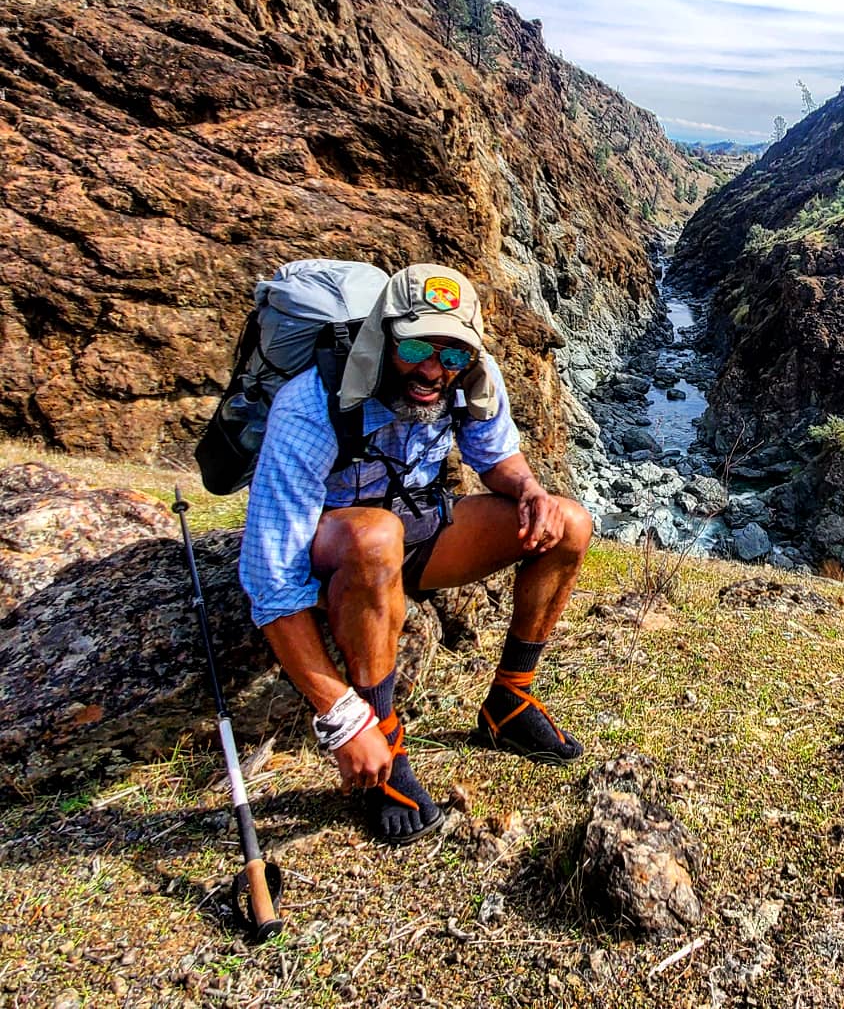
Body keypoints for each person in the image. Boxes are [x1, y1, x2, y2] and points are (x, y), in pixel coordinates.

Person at [237, 263, 592, 845]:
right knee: (374, 536)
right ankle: (383, 740)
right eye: (417, 346)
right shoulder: (310, 406)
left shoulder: (468, 375)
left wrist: (530, 490)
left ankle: (509, 700)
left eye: (452, 354)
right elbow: (270, 579)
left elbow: (493, 453)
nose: (433, 369)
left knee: (569, 523)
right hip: (334, 550)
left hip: (417, 532)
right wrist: (342, 720)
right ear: (384, 337)